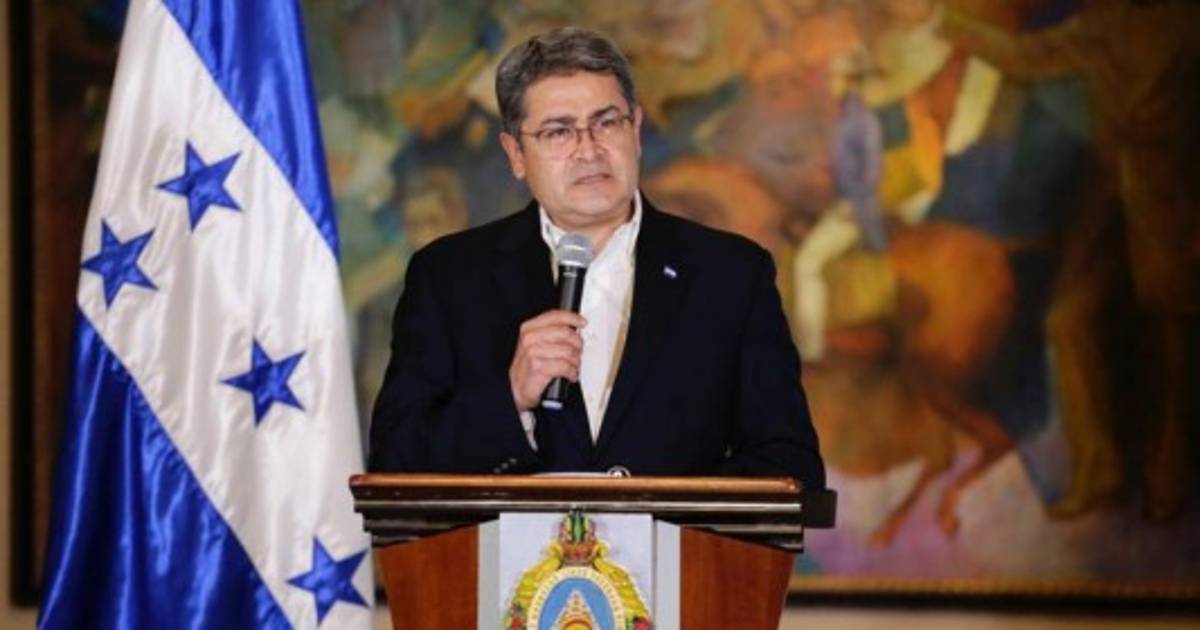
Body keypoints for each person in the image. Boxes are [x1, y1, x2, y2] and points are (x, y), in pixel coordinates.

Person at [368, 27, 826, 488]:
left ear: (636, 130)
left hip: (681, 539)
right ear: (516, 154)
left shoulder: (731, 274)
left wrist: (662, 513)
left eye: (607, 123)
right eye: (558, 131)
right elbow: (395, 467)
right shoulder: (449, 277)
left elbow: (790, 466)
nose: (588, 150)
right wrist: (510, 399)